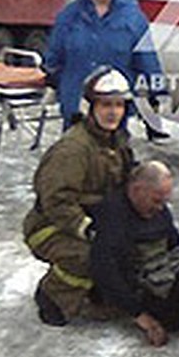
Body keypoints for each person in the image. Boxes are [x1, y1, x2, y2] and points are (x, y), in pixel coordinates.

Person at [23, 66, 136, 326]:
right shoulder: (73, 149)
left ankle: (97, 293)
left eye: (118, 105)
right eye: (106, 104)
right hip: (51, 226)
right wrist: (85, 228)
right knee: (88, 256)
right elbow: (56, 200)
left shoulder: (116, 141)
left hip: (93, 219)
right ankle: (53, 297)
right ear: (91, 106)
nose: (113, 112)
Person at [88, 160, 179, 347]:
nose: (160, 208)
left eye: (164, 202)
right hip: (150, 295)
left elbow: (175, 246)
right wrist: (141, 316)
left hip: (168, 275)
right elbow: (105, 271)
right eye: (156, 201)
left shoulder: (157, 209)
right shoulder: (113, 216)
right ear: (137, 189)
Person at [43, 0, 165, 129]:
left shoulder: (132, 17)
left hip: (114, 101)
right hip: (76, 97)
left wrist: (156, 90)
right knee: (75, 148)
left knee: (111, 151)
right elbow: (55, 52)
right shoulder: (70, 15)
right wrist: (52, 77)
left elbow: (146, 57)